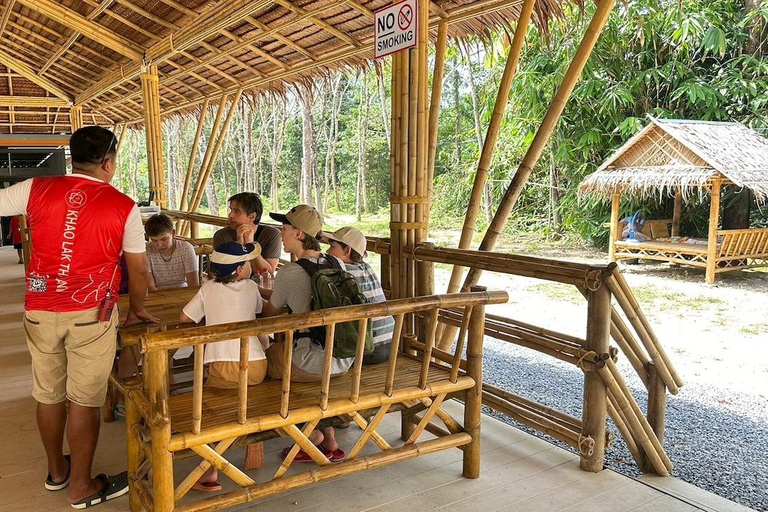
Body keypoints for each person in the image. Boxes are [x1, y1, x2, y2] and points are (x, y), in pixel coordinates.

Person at [0, 126, 157, 508]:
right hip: (91, 313)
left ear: (73, 158)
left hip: (39, 309)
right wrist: (136, 308)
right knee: (83, 401)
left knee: (48, 395)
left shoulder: (35, 188)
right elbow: (137, 273)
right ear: (108, 162)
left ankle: (57, 473)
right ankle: (82, 487)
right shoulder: (123, 206)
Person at [260, 204, 349, 462]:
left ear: (299, 234)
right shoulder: (336, 264)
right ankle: (329, 438)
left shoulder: (290, 272)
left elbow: (268, 316)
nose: (280, 234)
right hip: (342, 359)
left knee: (262, 361)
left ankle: (307, 436)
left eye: (285, 228)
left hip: (310, 366)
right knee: (304, 358)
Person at [179, 241, 269, 489]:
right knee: (248, 400)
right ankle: (254, 444)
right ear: (239, 270)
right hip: (257, 363)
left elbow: (184, 318)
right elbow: (259, 309)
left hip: (222, 363)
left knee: (214, 415)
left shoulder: (208, 289)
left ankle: (209, 472)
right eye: (249, 262)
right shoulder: (251, 287)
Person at [325, 227, 395, 365]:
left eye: (332, 247)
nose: (327, 252)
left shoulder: (342, 271)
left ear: (347, 250)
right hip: (391, 343)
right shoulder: (367, 267)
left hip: (370, 348)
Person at [213, 192, 281, 272]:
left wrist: (251, 244)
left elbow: (267, 273)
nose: (230, 215)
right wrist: (240, 244)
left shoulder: (271, 234)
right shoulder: (221, 235)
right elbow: (224, 273)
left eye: (236, 211)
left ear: (252, 217)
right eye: (231, 210)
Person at [144, 213, 199, 290]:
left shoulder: (185, 249)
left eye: (164, 239)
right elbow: (151, 287)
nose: (159, 244)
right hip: (156, 295)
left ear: (173, 233)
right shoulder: (147, 250)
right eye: (154, 240)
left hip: (182, 292)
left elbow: (193, 285)